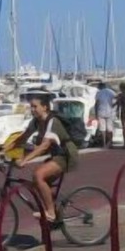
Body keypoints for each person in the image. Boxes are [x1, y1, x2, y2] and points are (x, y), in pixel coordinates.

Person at [13, 93, 79, 223]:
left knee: (38, 175)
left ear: (44, 107)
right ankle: (56, 204)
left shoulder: (52, 121)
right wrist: (5, 150)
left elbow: (44, 146)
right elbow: (23, 137)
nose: (32, 109)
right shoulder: (36, 121)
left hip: (66, 155)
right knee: (37, 182)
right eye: (31, 107)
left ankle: (51, 213)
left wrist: (24, 160)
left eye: (35, 107)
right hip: (56, 155)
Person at [93, 81, 117, 148]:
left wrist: (96, 113)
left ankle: (104, 144)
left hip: (101, 111)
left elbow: (96, 103)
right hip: (110, 112)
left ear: (100, 87)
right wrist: (114, 107)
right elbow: (116, 100)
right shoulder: (111, 92)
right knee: (110, 129)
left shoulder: (98, 93)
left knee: (102, 129)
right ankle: (110, 142)